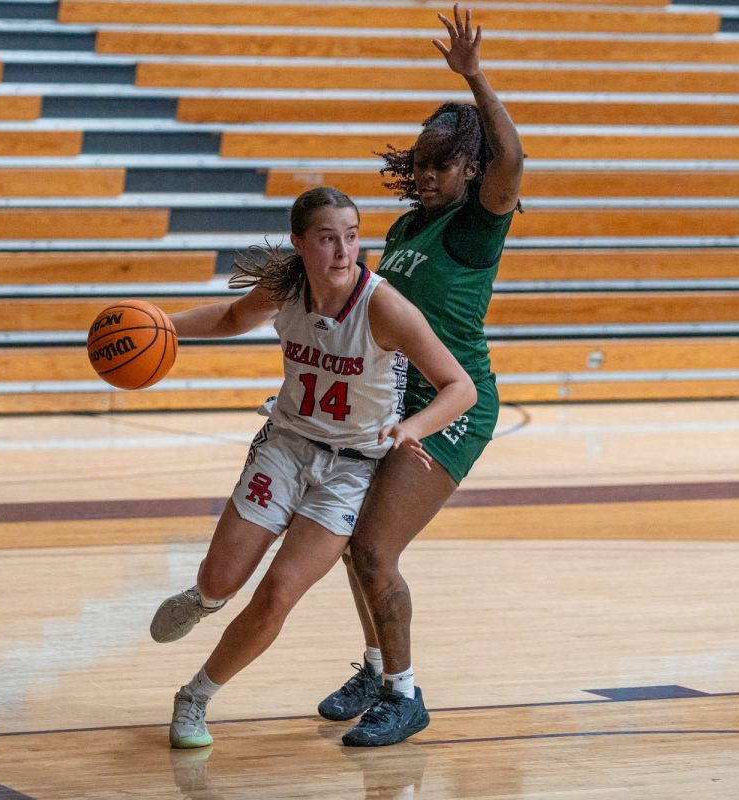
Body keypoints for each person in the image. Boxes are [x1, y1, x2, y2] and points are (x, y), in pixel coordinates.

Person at [152, 186, 477, 749]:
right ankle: (204, 598)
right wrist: (160, 325)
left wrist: (410, 427)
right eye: (328, 239)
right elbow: (231, 316)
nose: (343, 251)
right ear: (301, 243)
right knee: (220, 580)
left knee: (277, 593)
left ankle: (195, 697)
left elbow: (460, 387)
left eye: (351, 237)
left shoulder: (384, 305)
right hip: (285, 447)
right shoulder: (287, 287)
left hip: (351, 470)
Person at [319, 3, 525, 747]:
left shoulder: (478, 221)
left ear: (471, 168)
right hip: (391, 397)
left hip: (453, 403)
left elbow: (515, 163)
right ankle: (377, 669)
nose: (426, 173)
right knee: (349, 540)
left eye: (442, 163)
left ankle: (406, 696)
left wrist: (475, 79)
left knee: (375, 547)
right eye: (422, 161)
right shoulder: (406, 229)